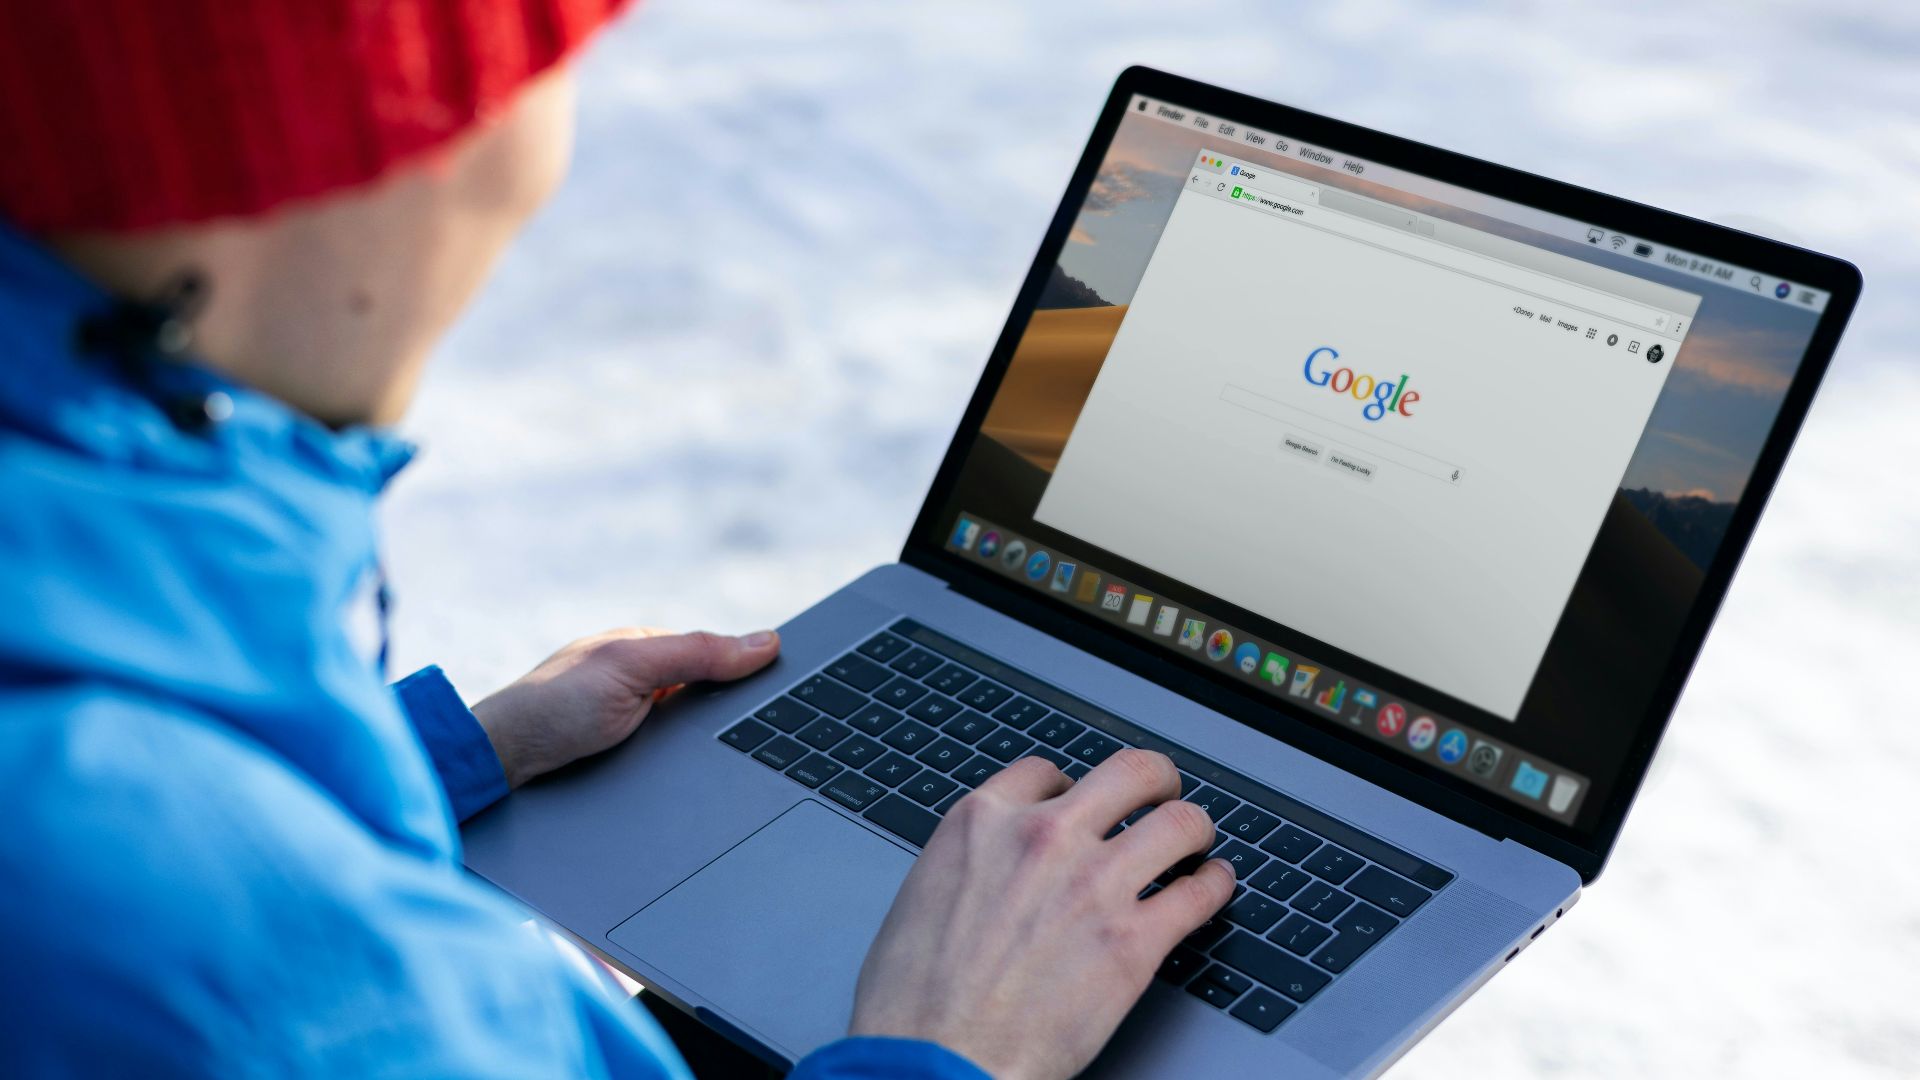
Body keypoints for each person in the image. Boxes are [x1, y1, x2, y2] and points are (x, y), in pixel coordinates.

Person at [0, 3, 1235, 1078]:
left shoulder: (95, 637)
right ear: (314, 154)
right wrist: (952, 1046)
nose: (537, 161)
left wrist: (452, 757)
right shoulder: (218, 951)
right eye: (521, 81)